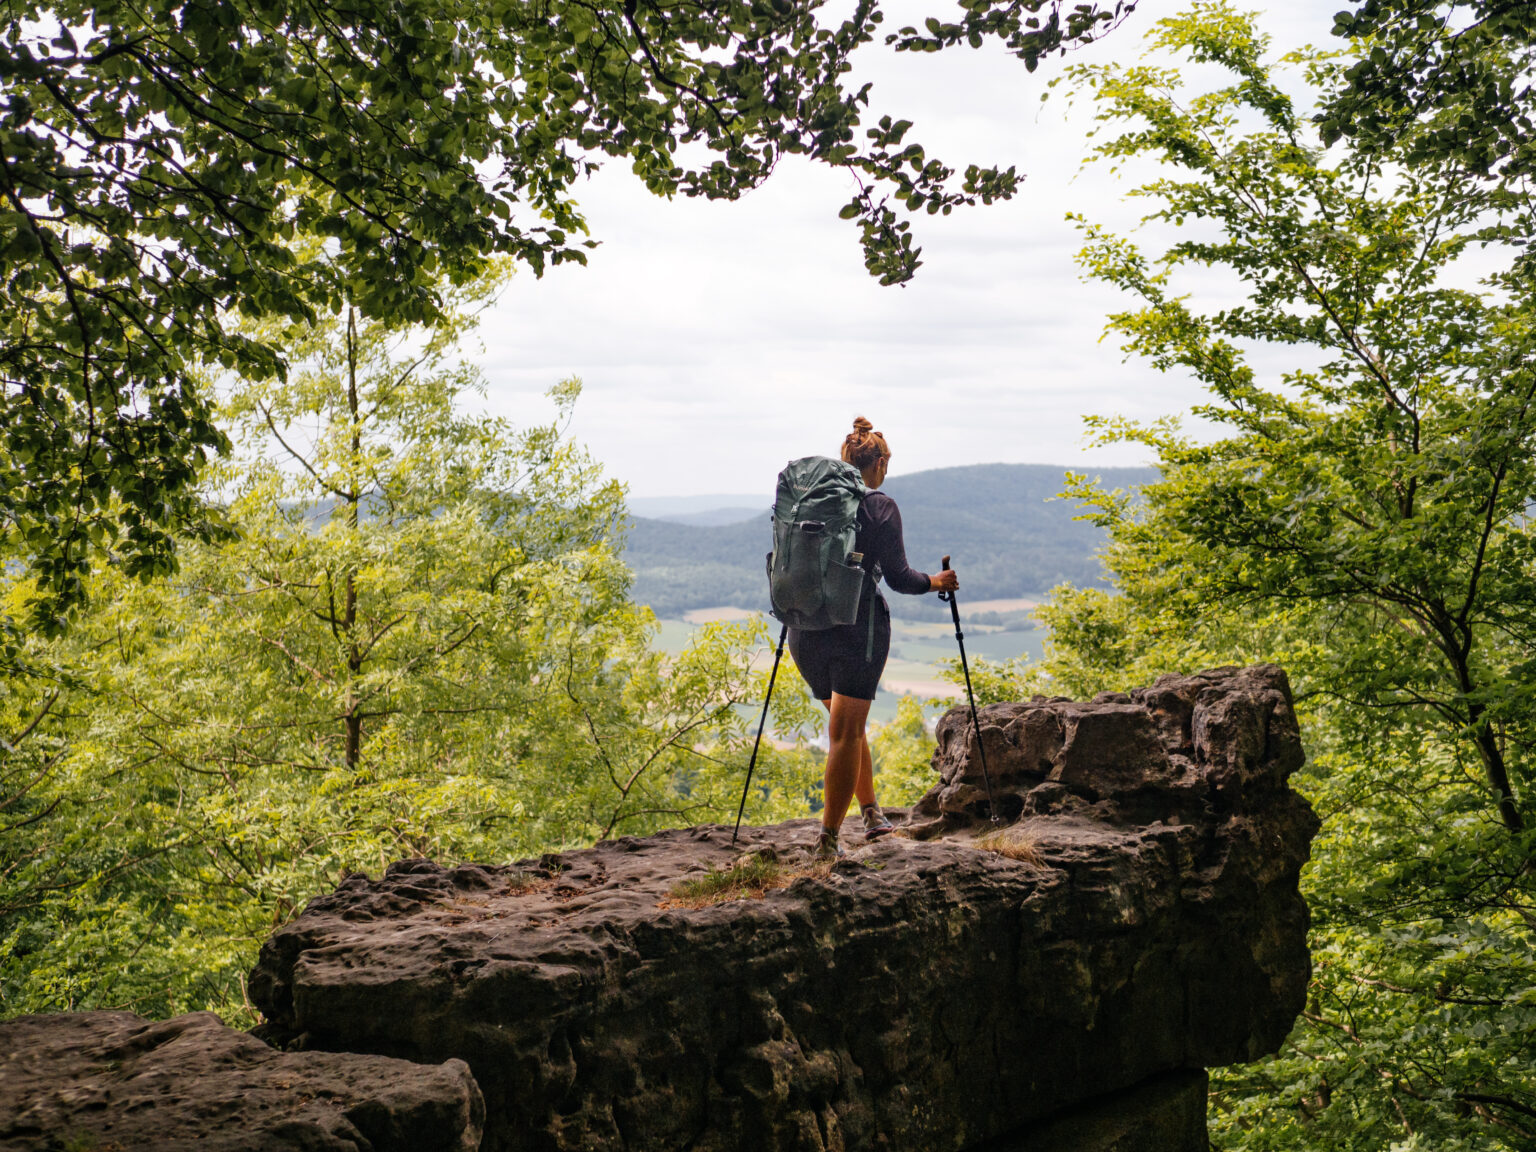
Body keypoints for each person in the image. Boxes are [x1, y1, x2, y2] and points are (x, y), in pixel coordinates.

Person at [788, 417, 959, 859]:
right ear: (879, 463)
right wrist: (937, 582)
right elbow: (900, 579)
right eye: (889, 460)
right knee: (847, 732)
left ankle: (870, 813)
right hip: (855, 632)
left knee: (847, 727)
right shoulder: (880, 506)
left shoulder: (811, 500)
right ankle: (827, 840)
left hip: (804, 630)